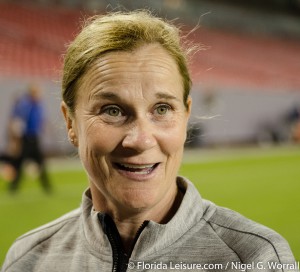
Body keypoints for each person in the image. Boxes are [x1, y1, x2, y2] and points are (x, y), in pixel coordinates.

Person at [1, 11, 298, 272]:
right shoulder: (27, 260)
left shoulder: (256, 260)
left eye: (162, 109)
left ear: (185, 117)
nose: (141, 139)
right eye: (112, 110)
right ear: (70, 123)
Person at [6, 84, 51, 193]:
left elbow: (39, 120)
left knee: (39, 162)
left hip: (34, 138)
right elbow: (17, 121)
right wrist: (16, 139)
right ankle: (13, 186)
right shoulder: (26, 105)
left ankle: (46, 186)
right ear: (33, 92)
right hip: (27, 138)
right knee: (21, 161)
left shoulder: (37, 105)